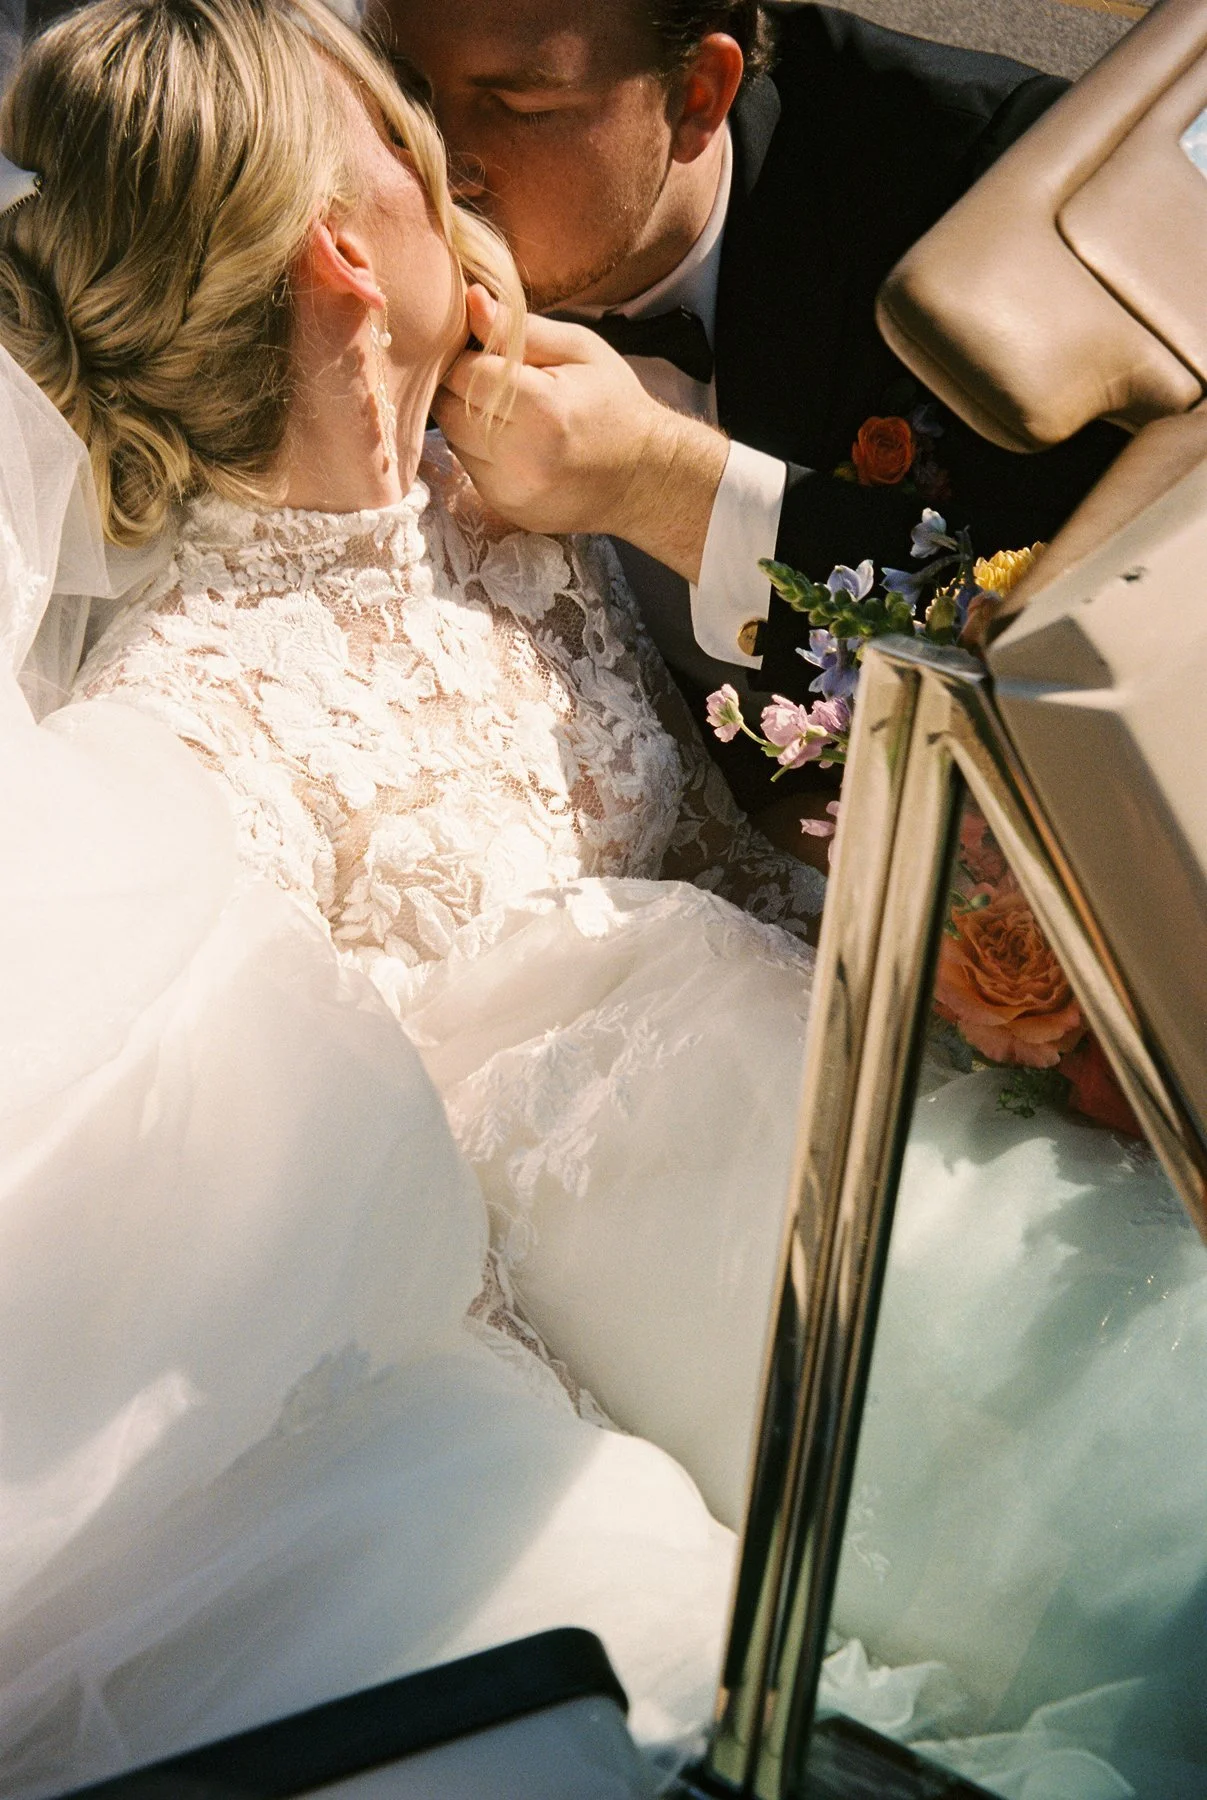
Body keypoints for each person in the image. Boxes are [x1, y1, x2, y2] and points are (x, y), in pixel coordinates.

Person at [2, 5, 1206, 1799]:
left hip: (883, 1130)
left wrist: (962, 978)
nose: (454, 161)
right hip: (712, 1340)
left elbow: (752, 825)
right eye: (417, 130)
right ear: (349, 249)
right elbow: (370, 1240)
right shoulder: (177, 745)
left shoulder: (513, 484)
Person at [380, 0, 1126, 803]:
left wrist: (666, 486)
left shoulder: (1002, 191)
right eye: (405, 93)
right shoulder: (331, 158)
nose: (440, 164)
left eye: (521, 107)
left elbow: (1091, 637)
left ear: (698, 94)